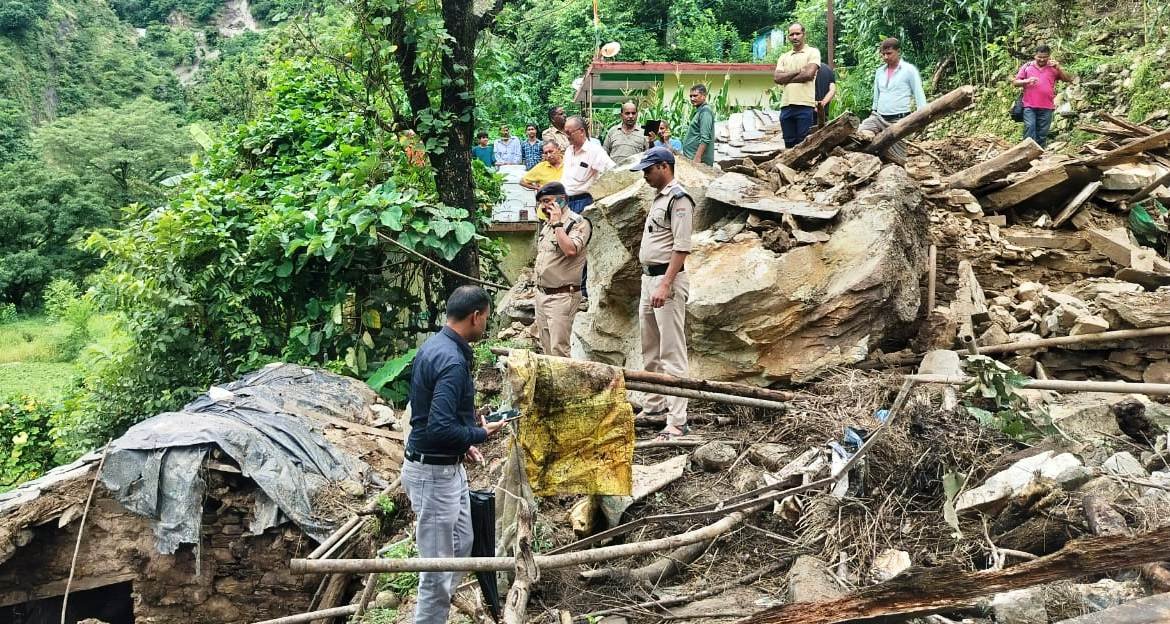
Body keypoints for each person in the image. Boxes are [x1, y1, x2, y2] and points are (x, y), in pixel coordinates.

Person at [402, 285, 507, 624]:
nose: (485, 325)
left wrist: (464, 443)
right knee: (435, 570)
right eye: (486, 319)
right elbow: (438, 428)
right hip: (432, 476)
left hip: (447, 468)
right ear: (475, 316)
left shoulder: (437, 346)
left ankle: (439, 609)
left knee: (462, 544)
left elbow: (433, 415)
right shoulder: (451, 362)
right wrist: (480, 432)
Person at [630, 147, 693, 441]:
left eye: (648, 169)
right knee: (650, 349)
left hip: (665, 280)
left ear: (665, 167)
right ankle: (655, 406)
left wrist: (665, 284)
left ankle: (677, 420)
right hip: (649, 278)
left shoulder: (679, 199)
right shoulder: (660, 198)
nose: (644, 175)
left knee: (671, 349)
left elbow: (681, 247)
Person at [533, 181, 591, 357]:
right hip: (541, 294)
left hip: (563, 296)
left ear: (563, 199)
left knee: (559, 351)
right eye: (541, 202)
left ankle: (564, 386)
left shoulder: (578, 222)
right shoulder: (547, 224)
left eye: (548, 201)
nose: (544, 206)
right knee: (546, 348)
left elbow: (571, 250)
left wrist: (558, 224)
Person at [560, 115, 615, 301]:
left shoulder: (594, 151)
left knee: (581, 245)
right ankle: (570, 286)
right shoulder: (569, 151)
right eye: (565, 133)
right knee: (566, 244)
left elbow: (612, 170)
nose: (567, 136)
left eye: (569, 133)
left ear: (581, 131)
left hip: (585, 201)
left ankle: (583, 291)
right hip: (567, 201)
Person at [856, 38, 927, 162]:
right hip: (879, 117)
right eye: (883, 54)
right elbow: (877, 95)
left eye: (889, 53)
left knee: (898, 158)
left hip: (899, 120)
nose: (885, 57)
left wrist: (922, 117)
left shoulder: (909, 70)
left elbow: (919, 93)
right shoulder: (880, 72)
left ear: (898, 51)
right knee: (860, 133)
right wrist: (873, 111)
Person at [1012, 44, 1074, 148]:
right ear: (1035, 56)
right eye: (1039, 57)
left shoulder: (1053, 68)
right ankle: (1026, 152)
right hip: (1029, 105)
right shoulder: (1027, 66)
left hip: (1047, 106)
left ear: (1049, 56)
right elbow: (1015, 82)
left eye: (1045, 57)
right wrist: (1027, 81)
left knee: (1042, 132)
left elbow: (1068, 79)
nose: (1041, 59)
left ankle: (1039, 154)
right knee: (1030, 126)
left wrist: (1059, 68)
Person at [773, 22, 821, 148]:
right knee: (788, 143)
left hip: (805, 105)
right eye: (791, 34)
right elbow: (777, 78)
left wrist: (786, 78)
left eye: (797, 34)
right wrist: (799, 71)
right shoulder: (784, 57)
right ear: (788, 37)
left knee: (804, 143)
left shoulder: (813, 52)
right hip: (786, 105)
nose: (794, 37)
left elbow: (809, 75)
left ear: (803, 34)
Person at [521, 142, 564, 220]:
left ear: (559, 150)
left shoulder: (569, 164)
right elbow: (522, 181)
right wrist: (537, 188)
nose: (548, 155)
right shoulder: (541, 167)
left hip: (565, 211)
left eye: (551, 151)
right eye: (546, 153)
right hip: (545, 215)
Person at [681, 84, 715, 166]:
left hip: (697, 161)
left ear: (704, 96)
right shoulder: (699, 111)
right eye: (691, 96)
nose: (692, 99)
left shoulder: (705, 112)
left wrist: (697, 158)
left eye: (695, 96)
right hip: (691, 158)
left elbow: (705, 138)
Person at [814, 62, 837, 127]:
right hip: (823, 112)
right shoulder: (827, 68)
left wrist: (813, 104)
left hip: (808, 112)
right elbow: (832, 89)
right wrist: (822, 104)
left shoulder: (807, 68)